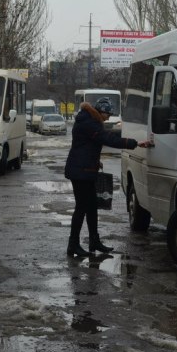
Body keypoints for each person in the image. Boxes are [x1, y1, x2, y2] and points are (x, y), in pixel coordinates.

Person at [64, 97, 151, 257]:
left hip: (86, 169)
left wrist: (96, 161)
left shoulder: (89, 119)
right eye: (107, 114)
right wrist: (135, 143)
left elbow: (88, 144)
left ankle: (94, 241)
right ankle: (73, 245)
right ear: (100, 111)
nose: (109, 117)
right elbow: (107, 139)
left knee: (91, 207)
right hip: (80, 171)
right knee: (81, 208)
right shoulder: (90, 123)